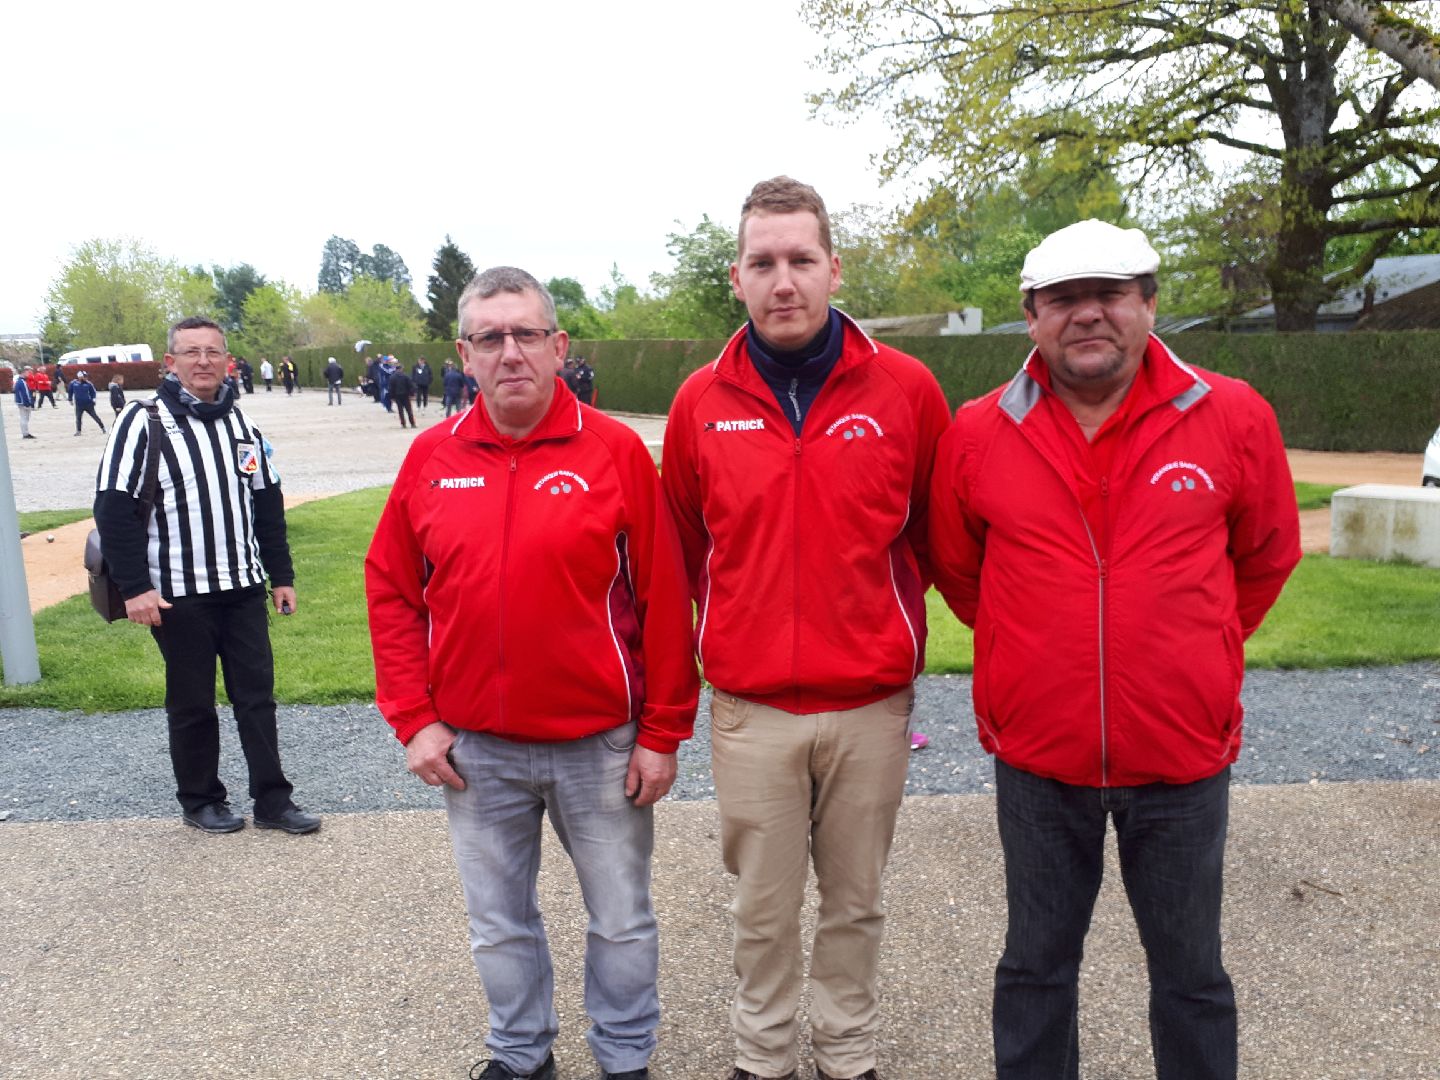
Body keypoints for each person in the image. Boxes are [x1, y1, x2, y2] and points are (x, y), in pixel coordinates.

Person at [927, 219, 1302, 1080]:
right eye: (1064, 299)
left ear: (1150, 305)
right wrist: (1035, 649)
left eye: (1110, 294)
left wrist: (1193, 649)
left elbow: (1266, 554)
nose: (1088, 313)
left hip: (1179, 758)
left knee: (1191, 975)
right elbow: (958, 566)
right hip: (1039, 757)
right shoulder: (978, 431)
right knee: (1035, 969)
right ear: (1031, 316)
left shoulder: (1232, 414)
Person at [366, 266, 698, 1080]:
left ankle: (625, 1057)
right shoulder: (432, 457)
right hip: (476, 749)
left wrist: (662, 733)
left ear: (559, 345)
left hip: (601, 746)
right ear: (465, 354)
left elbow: (664, 596)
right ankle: (520, 1054)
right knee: (498, 923)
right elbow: (391, 589)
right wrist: (414, 718)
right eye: (490, 337)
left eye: (526, 334)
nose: (509, 352)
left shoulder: (614, 451)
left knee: (621, 919)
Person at [661, 176, 951, 1080]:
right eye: (763, 263)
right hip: (751, 709)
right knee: (761, 907)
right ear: (737, 278)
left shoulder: (906, 390)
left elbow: (937, 535)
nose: (783, 281)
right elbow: (684, 551)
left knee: (856, 902)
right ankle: (764, 1054)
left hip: (869, 701)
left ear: (833, 267)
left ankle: (847, 1051)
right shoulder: (700, 402)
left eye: (800, 259)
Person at [93, 316, 319, 837]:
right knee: (193, 703)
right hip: (178, 595)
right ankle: (201, 800)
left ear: (227, 362)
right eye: (191, 352)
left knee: (257, 700)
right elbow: (112, 508)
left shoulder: (243, 425)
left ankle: (273, 801)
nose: (203, 361)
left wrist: (281, 575)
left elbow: (267, 503)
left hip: (242, 589)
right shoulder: (142, 422)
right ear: (170, 362)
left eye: (213, 352)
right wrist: (136, 588)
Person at [70, 370, 105, 435]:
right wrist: (70, 400)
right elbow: (70, 391)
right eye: (84, 376)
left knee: (94, 416)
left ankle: (102, 427)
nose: (85, 378)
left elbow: (93, 392)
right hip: (79, 404)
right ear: (79, 377)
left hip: (88, 404)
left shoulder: (88, 384)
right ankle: (78, 431)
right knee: (78, 418)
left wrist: (93, 399)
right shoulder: (73, 383)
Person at [388, 363, 415, 428]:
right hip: (405, 395)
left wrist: (391, 397)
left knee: (400, 411)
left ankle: (403, 424)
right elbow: (410, 386)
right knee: (409, 410)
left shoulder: (392, 377)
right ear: (402, 369)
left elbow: (391, 388)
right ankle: (412, 423)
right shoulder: (406, 376)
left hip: (397, 396)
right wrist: (412, 394)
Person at [13, 365, 37, 439]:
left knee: (23, 418)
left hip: (20, 402)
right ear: (23, 373)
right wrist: (27, 403)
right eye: (27, 372)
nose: (28, 374)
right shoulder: (22, 382)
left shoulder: (19, 381)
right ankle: (25, 433)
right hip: (23, 403)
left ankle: (25, 433)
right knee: (24, 418)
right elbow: (25, 394)